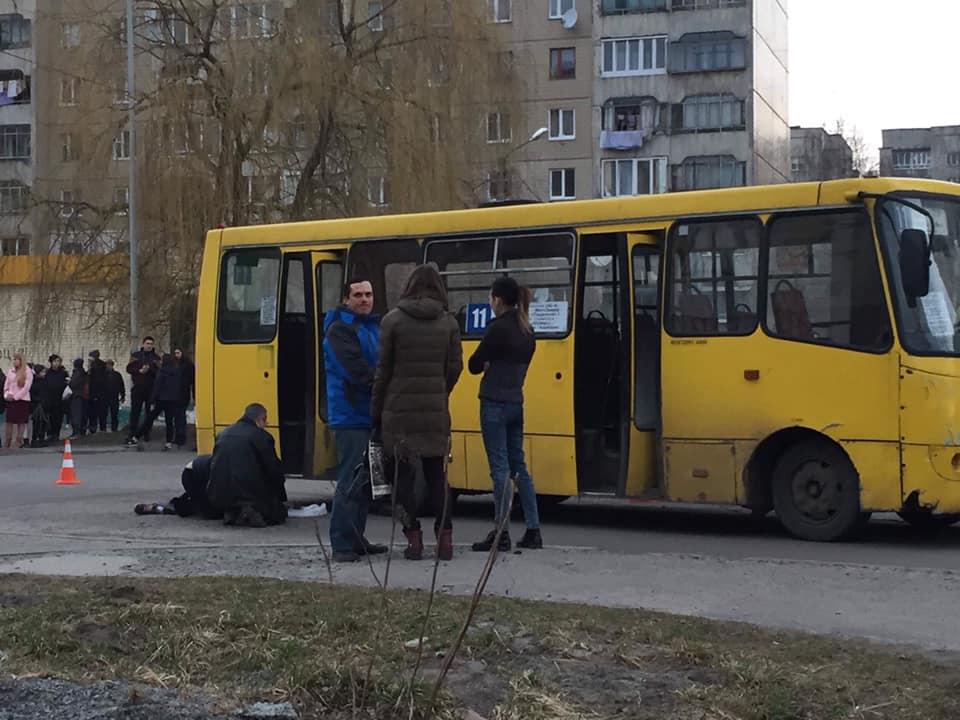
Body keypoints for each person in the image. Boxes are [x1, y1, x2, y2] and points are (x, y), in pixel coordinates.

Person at [371, 265, 463, 561]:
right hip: (435, 412)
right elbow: (455, 367)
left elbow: (383, 371)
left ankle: (413, 540)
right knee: (437, 476)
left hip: (398, 412)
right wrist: (440, 391)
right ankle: (445, 539)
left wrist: (377, 409)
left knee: (403, 479)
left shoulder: (392, 321)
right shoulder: (448, 323)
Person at [468, 277, 543, 552]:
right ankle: (533, 530)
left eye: (491, 298)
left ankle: (501, 533)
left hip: (494, 404)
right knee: (519, 467)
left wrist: (487, 363)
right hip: (515, 403)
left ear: (497, 299)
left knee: (500, 470)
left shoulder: (498, 328)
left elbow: (474, 364)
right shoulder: (527, 330)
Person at [324, 278, 387, 563]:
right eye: (358, 295)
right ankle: (341, 544)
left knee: (364, 482)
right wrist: (383, 387)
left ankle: (356, 539)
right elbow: (355, 370)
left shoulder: (372, 326)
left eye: (368, 294)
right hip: (351, 415)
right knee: (350, 480)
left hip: (368, 413)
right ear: (346, 299)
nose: (364, 299)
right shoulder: (339, 329)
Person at [207, 403, 287, 527]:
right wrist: (280, 497)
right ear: (262, 419)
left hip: (219, 494)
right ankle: (250, 509)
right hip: (250, 494)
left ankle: (234, 510)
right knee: (279, 514)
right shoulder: (262, 437)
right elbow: (273, 470)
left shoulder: (223, 434)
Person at [134, 454, 217, 519]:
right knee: (211, 512)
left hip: (198, 473)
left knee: (210, 503)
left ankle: (168, 506)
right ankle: (164, 507)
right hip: (193, 475)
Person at [132, 353, 184, 450]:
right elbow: (179, 386)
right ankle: (168, 442)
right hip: (173, 400)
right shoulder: (177, 371)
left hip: (161, 399)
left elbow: (157, 386)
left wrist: (152, 400)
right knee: (169, 422)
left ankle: (136, 436)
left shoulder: (162, 371)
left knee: (150, 418)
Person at [125, 336, 160, 446]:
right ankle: (132, 433)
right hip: (138, 388)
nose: (149, 346)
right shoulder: (136, 356)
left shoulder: (156, 357)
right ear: (143, 344)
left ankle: (146, 433)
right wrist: (139, 371)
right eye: (147, 343)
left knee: (149, 412)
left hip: (150, 389)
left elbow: (160, 371)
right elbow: (129, 368)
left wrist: (150, 370)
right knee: (135, 412)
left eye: (151, 344)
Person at [3, 352, 34, 449]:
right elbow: (6, 385)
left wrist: (16, 397)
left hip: (22, 400)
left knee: (21, 422)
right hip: (11, 400)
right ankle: (7, 441)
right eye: (14, 359)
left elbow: (26, 388)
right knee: (9, 421)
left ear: (21, 361)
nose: (14, 361)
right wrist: (6, 395)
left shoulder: (27, 371)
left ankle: (18, 441)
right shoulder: (11, 371)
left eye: (16, 359)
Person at [43, 355, 69, 442]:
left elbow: (67, 384)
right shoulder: (47, 373)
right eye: (55, 361)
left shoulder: (63, 373)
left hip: (60, 399)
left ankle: (56, 434)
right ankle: (50, 434)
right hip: (49, 399)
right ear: (51, 362)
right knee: (50, 418)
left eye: (58, 361)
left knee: (58, 418)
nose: (56, 363)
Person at [173, 349, 194, 447]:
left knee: (181, 415)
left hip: (183, 393)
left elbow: (191, 379)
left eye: (178, 353)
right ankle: (178, 435)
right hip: (176, 393)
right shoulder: (174, 364)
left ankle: (181, 436)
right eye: (175, 353)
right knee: (177, 416)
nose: (176, 355)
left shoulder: (188, 365)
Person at [86, 350, 108, 434]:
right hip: (103, 393)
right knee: (102, 412)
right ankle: (103, 428)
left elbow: (93, 380)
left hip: (95, 393)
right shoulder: (103, 365)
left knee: (93, 412)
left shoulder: (94, 366)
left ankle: (93, 428)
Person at [28, 362, 48, 447]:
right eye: (42, 372)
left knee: (44, 423)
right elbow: (32, 394)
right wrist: (38, 400)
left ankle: (41, 438)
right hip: (36, 406)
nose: (44, 373)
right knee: (36, 423)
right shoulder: (33, 382)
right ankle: (34, 439)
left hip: (44, 405)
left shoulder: (45, 382)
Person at [67, 358, 87, 439]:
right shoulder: (83, 372)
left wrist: (69, 382)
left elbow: (73, 384)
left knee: (76, 415)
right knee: (78, 414)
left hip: (76, 396)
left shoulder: (77, 373)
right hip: (80, 396)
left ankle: (76, 432)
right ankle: (79, 431)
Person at [104, 360, 126, 433]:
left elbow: (121, 386)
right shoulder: (104, 374)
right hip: (106, 397)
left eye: (108, 365)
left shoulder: (116, 375)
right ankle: (105, 428)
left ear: (111, 365)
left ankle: (114, 428)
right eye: (107, 365)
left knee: (114, 414)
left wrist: (123, 396)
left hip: (113, 396)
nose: (107, 366)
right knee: (105, 414)